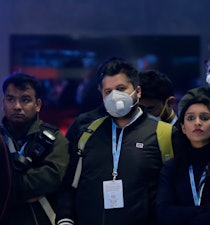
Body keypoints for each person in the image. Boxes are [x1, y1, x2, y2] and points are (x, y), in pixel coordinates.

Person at [56, 57, 168, 225]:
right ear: (101, 95)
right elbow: (69, 185)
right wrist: (65, 219)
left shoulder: (162, 133)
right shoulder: (87, 132)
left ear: (137, 91)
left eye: (121, 88)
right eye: (108, 91)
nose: (115, 96)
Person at [0, 73, 69, 225]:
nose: (17, 106)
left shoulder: (54, 139)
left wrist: (9, 187)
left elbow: (53, 176)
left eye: (25, 100)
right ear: (3, 102)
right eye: (11, 99)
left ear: (38, 105)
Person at [155, 95, 210, 225]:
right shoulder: (172, 167)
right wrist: (203, 210)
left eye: (204, 118)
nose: (197, 122)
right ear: (183, 127)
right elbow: (164, 212)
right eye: (190, 118)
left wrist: (184, 213)